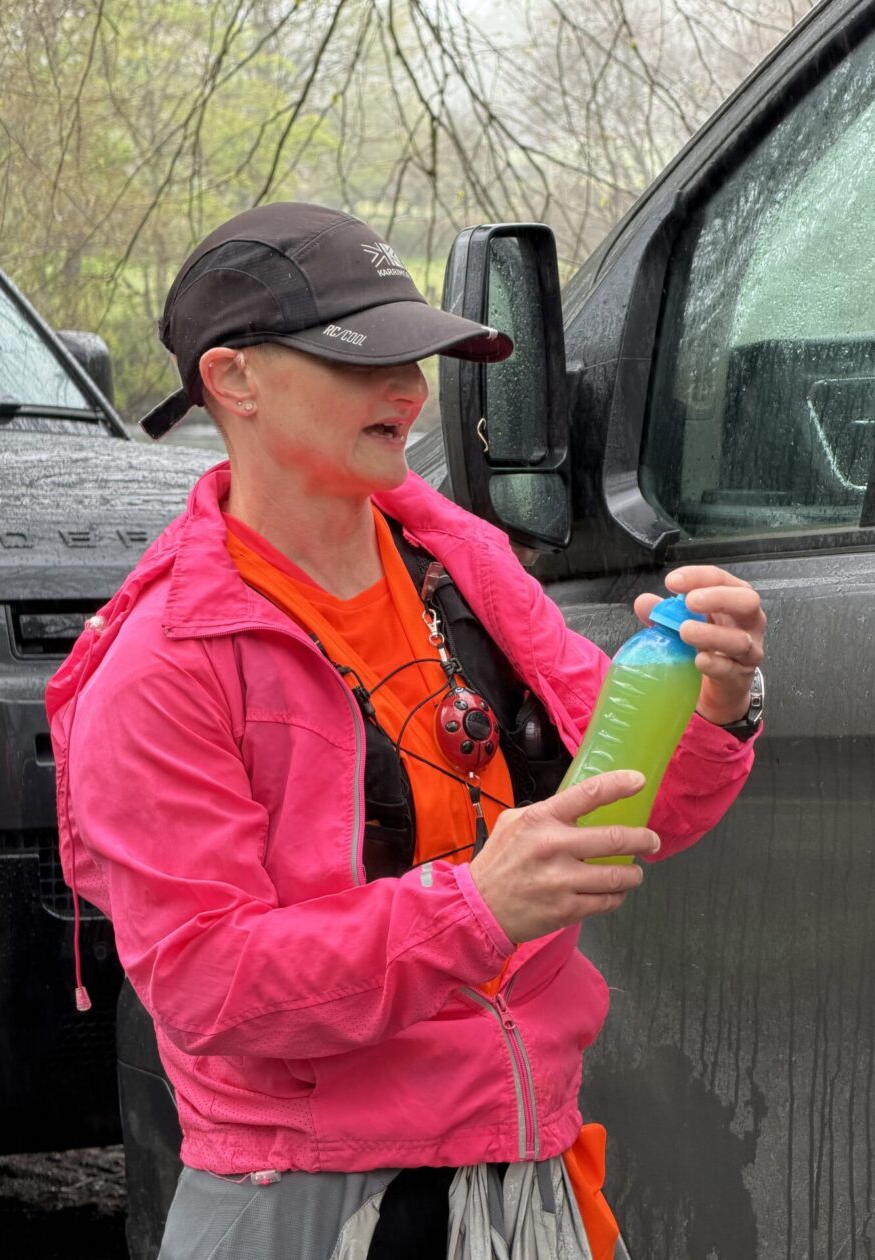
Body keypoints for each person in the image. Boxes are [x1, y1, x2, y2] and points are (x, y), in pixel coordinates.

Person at [46, 202, 765, 1260]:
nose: (410, 390)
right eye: (362, 361)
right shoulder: (165, 663)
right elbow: (207, 988)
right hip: (305, 1194)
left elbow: (622, 816)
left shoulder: (460, 565)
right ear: (233, 380)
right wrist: (477, 909)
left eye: (415, 358)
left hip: (526, 1166)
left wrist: (713, 706)